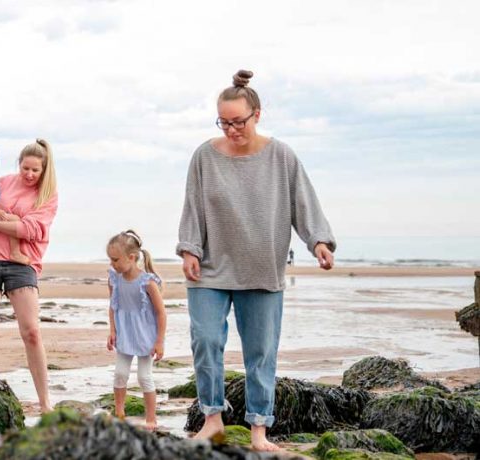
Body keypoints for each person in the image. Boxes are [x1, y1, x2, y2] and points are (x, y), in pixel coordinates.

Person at [177, 70, 336, 451]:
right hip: (211, 268)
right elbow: (193, 207)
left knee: (260, 352)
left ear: (257, 115)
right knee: (206, 339)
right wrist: (189, 249)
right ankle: (212, 418)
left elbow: (304, 203)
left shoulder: (282, 157)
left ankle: (259, 430)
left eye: (238, 122)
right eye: (224, 122)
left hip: (262, 269)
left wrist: (318, 242)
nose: (231, 129)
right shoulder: (204, 156)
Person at [0, 138, 59, 413]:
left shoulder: (47, 196)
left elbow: (29, 230)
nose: (29, 175)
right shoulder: (2, 181)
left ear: (44, 170)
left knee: (31, 331)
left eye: (35, 171)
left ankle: (44, 402)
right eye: (25, 168)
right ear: (18, 165)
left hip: (23, 264)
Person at [105, 229, 166, 431]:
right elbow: (113, 305)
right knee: (120, 373)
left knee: (144, 376)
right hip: (124, 333)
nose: (112, 264)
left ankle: (151, 418)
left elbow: (161, 313)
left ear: (131, 258)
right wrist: (112, 330)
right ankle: (120, 413)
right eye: (110, 260)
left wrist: (159, 341)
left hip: (145, 335)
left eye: (115, 260)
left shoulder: (147, 282)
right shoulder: (114, 278)